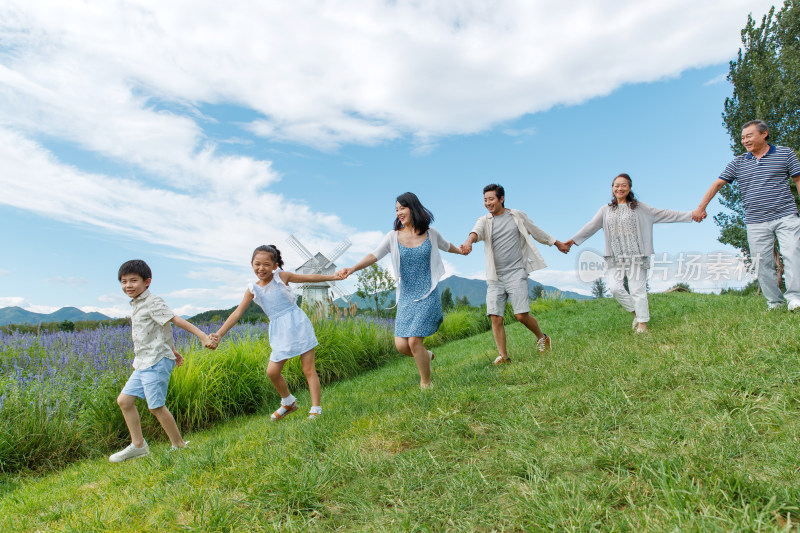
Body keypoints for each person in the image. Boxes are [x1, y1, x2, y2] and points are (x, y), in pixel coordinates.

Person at [337, 192, 465, 389]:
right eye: (396, 210)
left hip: (427, 293)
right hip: (406, 295)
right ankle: (426, 355)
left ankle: (426, 383)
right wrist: (352, 268)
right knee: (402, 346)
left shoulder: (431, 234)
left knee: (414, 341)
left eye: (401, 208)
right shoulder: (393, 237)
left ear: (412, 208)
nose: (398, 213)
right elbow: (374, 255)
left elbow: (447, 246)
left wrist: (461, 250)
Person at [210, 245, 342, 421]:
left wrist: (332, 276)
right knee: (272, 371)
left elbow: (308, 277)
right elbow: (237, 313)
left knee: (308, 369)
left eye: (266, 264)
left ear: (274, 266)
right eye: (257, 264)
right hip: (279, 331)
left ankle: (316, 409)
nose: (261, 268)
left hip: (298, 324)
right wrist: (218, 334)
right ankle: (288, 402)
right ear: (251, 264)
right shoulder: (252, 289)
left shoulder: (281, 277)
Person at [110, 259, 215, 463]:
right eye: (123, 281)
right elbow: (163, 328)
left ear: (147, 281)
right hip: (142, 362)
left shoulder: (153, 301)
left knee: (156, 406)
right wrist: (173, 350)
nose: (128, 286)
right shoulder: (137, 304)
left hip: (156, 361)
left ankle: (179, 445)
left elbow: (174, 319)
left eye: (133, 280)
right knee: (124, 401)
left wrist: (202, 336)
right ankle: (138, 445)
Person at [565, 173, 696, 332]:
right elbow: (591, 226)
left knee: (637, 290)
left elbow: (666, 214)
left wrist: (691, 215)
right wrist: (572, 241)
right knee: (615, 289)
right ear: (612, 188)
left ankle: (642, 326)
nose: (620, 188)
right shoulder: (605, 210)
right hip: (614, 256)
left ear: (629, 188)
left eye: (623, 185)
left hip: (636, 255)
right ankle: (636, 313)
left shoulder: (641, 208)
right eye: (616, 185)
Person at [693, 119, 800, 310]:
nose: (744, 140)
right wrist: (701, 208)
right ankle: (775, 302)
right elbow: (718, 183)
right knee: (762, 264)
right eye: (742, 137)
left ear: (764, 133)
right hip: (756, 221)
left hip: (786, 215)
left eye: (749, 136)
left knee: (793, 253)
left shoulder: (785, 154)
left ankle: (795, 299)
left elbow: (798, 180)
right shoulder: (738, 162)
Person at [460, 184, 569, 364]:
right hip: (495, 276)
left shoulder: (516, 216)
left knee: (521, 315)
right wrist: (468, 242)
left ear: (501, 199)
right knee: (495, 316)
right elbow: (475, 233)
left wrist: (556, 243)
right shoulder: (484, 221)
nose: (488, 203)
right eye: (485, 200)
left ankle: (542, 337)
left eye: (491, 199)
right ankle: (504, 356)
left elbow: (536, 231)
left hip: (516, 272)